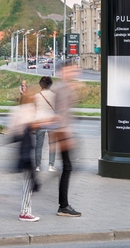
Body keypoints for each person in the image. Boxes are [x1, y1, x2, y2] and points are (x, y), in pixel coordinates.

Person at [8, 91, 53, 222]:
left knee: (28, 181)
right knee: (28, 182)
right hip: (25, 151)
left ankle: (26, 210)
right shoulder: (26, 110)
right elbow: (30, 125)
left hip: (23, 150)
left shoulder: (19, 110)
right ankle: (25, 212)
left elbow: (15, 128)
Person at [52, 61, 81, 217]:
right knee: (67, 167)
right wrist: (66, 136)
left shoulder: (64, 87)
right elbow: (61, 113)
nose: (74, 73)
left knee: (67, 167)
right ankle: (63, 205)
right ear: (62, 72)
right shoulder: (62, 88)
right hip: (63, 132)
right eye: (70, 71)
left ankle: (63, 204)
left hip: (63, 131)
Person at [34, 76, 57, 172]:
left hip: (39, 121)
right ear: (50, 85)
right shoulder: (54, 96)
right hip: (51, 121)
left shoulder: (36, 96)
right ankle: (51, 165)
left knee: (39, 145)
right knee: (52, 144)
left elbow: (34, 108)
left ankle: (38, 166)